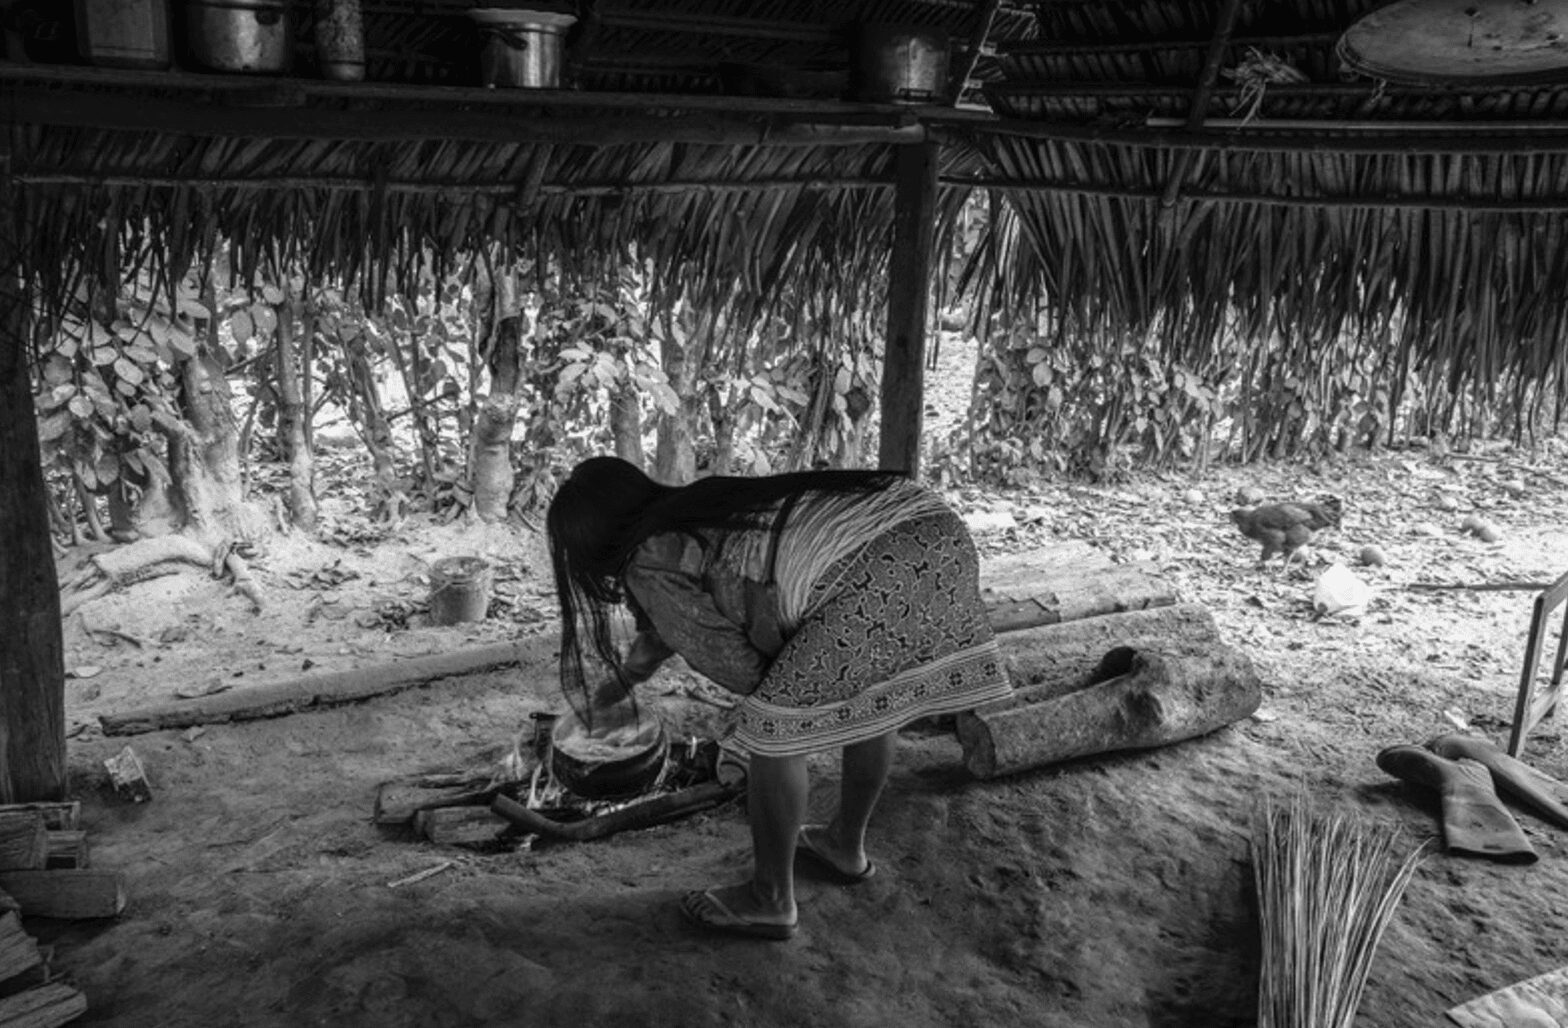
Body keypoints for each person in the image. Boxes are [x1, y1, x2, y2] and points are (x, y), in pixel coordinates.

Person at [546, 456, 1013, 940]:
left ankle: (769, 898)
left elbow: (740, 668)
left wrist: (777, 713)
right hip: (936, 536)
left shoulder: (646, 559)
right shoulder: (697, 507)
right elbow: (676, 616)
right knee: (873, 697)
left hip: (875, 572)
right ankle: (843, 847)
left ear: (592, 547)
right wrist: (622, 683)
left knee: (771, 729)